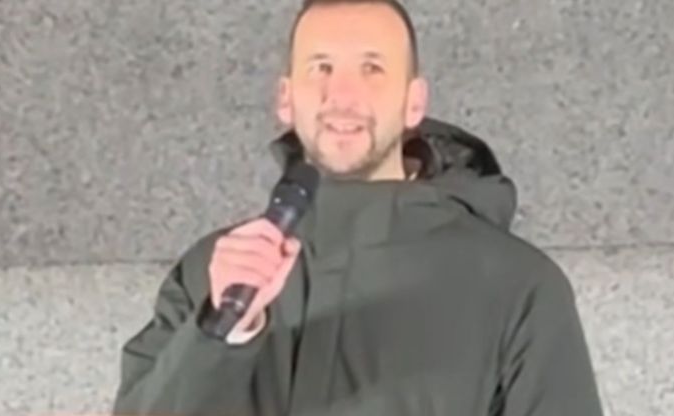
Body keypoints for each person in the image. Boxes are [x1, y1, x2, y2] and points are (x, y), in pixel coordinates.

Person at [111, 0, 604, 415]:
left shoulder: (515, 287)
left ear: (414, 103)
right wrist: (221, 334)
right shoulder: (211, 275)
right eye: (320, 67)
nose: (342, 95)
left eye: (372, 69)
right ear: (286, 98)